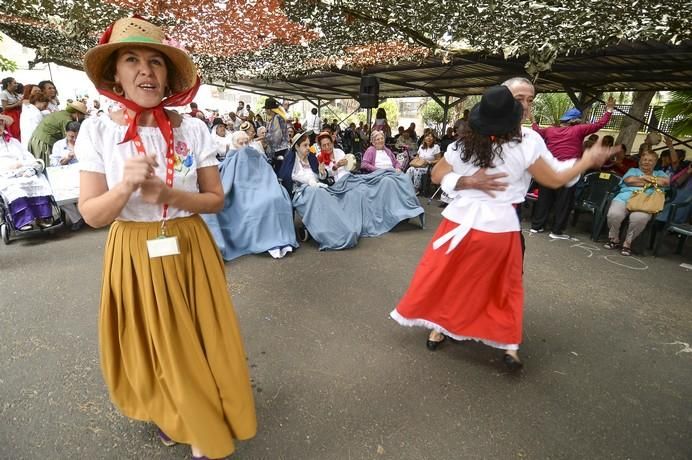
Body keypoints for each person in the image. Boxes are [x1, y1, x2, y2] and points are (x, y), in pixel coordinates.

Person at [75, 17, 256, 459]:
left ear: (167, 74)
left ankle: (205, 421)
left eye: (155, 61)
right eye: (131, 60)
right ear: (114, 75)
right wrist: (124, 189)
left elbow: (215, 200)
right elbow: (92, 214)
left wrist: (172, 194)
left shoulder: (193, 129)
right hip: (134, 250)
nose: (145, 71)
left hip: (190, 245)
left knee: (201, 337)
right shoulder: (98, 130)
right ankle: (177, 415)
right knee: (155, 341)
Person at [391, 86, 612, 370]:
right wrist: (586, 161)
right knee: (502, 287)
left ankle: (458, 331)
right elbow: (556, 179)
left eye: (529, 100)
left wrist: (465, 182)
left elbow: (436, 175)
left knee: (451, 280)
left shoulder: (469, 144)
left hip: (459, 225)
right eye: (521, 100)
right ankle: (498, 341)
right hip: (495, 227)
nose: (526, 105)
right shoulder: (521, 144)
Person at [529, 96, 615, 239]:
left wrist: (532, 120)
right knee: (564, 201)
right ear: (575, 121)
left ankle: (536, 226)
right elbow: (599, 124)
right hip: (568, 170)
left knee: (544, 198)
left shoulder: (550, 131)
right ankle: (556, 231)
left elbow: (536, 131)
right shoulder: (578, 130)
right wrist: (609, 110)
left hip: (549, 167)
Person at [604, 149, 670, 256]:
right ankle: (614, 238)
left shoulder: (660, 173)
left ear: (655, 162)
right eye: (644, 159)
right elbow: (629, 181)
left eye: (650, 160)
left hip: (646, 202)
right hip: (624, 198)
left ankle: (627, 243)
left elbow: (665, 182)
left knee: (639, 218)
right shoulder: (632, 170)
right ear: (640, 161)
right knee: (614, 214)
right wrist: (653, 182)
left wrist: (643, 179)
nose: (646, 162)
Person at [0, 114, 55, 230]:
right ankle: (23, 221)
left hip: (23, 169)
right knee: (15, 188)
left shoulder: (14, 141)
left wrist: (27, 164)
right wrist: (10, 167)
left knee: (37, 181)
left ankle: (43, 216)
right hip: (4, 174)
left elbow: (27, 155)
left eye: (1, 123)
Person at [264, 97, 289, 172]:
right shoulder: (277, 117)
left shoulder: (277, 118)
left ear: (269, 109)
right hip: (282, 148)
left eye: (266, 109)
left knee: (279, 170)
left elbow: (277, 137)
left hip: (279, 149)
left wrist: (266, 138)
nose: (265, 111)